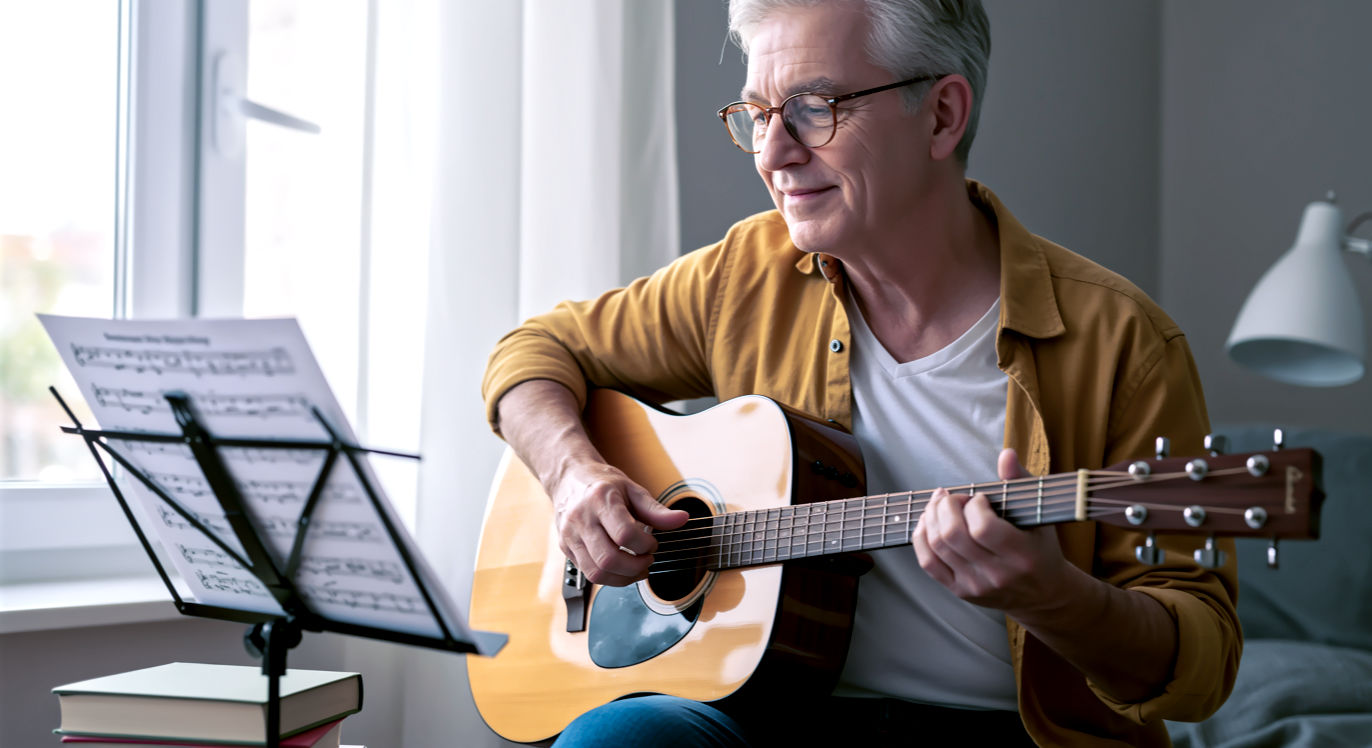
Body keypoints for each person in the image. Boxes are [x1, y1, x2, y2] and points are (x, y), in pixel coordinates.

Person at [481, 0, 1240, 745]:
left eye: (813, 108)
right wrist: (574, 475)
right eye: (756, 114)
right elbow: (532, 354)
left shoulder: (1125, 343)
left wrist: (1054, 597)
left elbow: (1202, 665)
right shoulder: (745, 275)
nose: (774, 155)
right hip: (767, 714)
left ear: (942, 115)